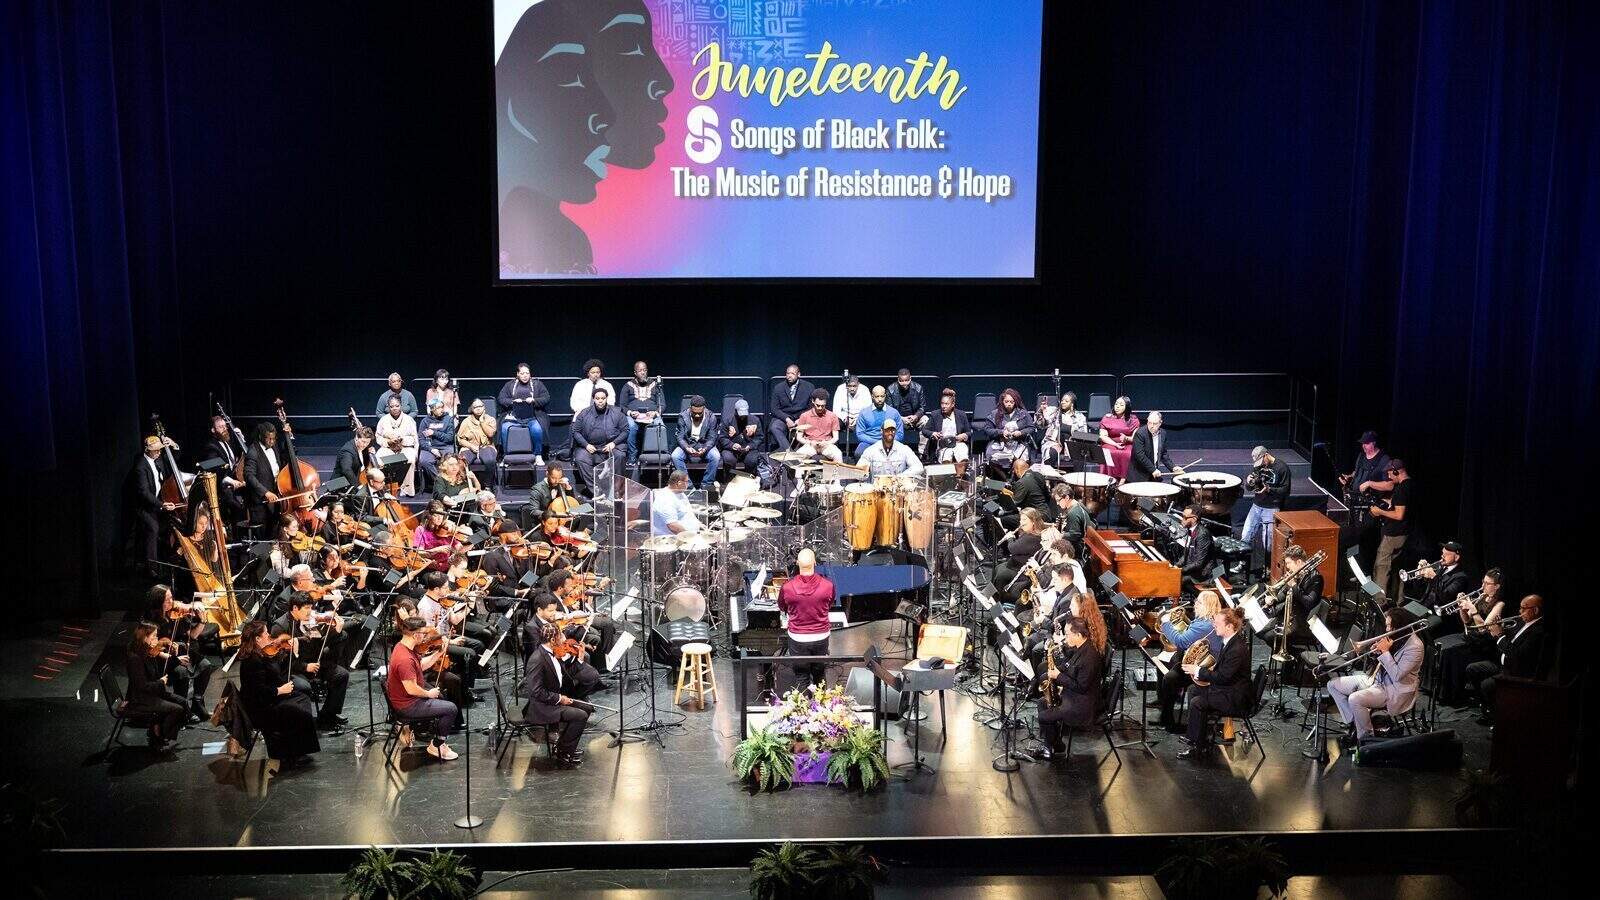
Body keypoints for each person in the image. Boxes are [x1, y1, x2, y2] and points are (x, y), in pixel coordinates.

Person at [1328, 607, 1424, 743]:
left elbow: (1397, 675)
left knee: (1355, 699)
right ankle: (1354, 722)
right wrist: (1377, 653)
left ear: (1399, 625)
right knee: (1332, 685)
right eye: (1387, 625)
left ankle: (1366, 738)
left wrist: (1385, 652)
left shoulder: (1415, 647)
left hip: (1393, 689)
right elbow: (1384, 662)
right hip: (1376, 680)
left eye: (1390, 626)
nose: (1387, 629)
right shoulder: (1395, 636)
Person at [236, 621, 321, 765]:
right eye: (266, 633)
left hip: (268, 700)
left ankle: (296, 749)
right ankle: (291, 755)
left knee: (302, 697)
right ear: (257, 638)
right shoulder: (252, 661)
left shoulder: (260, 653)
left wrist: (291, 653)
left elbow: (275, 672)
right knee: (299, 712)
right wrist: (280, 690)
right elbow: (258, 692)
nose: (269, 635)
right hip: (261, 709)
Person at [1179, 607, 1253, 759]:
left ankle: (1196, 745)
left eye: (1217, 623)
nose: (1214, 626)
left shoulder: (1236, 649)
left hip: (1235, 698)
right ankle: (1198, 737)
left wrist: (1198, 670)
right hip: (1228, 689)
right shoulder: (1230, 641)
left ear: (1229, 626)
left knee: (1197, 702)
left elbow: (1223, 677)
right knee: (1193, 689)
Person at [270, 592, 350, 731]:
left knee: (341, 674)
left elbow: (317, 645)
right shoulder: (280, 627)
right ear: (295, 608)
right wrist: (305, 667)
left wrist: (335, 631)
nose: (310, 612)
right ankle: (303, 724)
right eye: (306, 608)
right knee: (304, 686)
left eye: (311, 608)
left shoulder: (309, 621)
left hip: (312, 662)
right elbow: (280, 660)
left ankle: (327, 716)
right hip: (292, 668)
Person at [1463, 594, 1549, 723]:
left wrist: (1499, 635)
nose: (1520, 611)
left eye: (1524, 608)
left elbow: (1517, 655)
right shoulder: (1522, 621)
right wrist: (1499, 628)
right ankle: (1488, 707)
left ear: (1535, 610)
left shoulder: (1538, 631)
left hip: (1516, 671)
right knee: (1472, 669)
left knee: (1487, 685)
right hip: (1502, 664)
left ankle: (1498, 717)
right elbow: (1509, 639)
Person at [1031, 616, 1105, 761]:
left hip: (1082, 706)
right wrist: (1054, 670)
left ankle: (1050, 747)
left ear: (1078, 635)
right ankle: (1054, 745)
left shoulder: (1090, 657)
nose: (1065, 637)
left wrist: (1058, 676)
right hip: (1072, 696)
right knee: (1041, 703)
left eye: (1067, 634)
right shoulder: (1080, 648)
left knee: (1043, 716)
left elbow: (1081, 687)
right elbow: (1068, 666)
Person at [522, 617, 592, 768]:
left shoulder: (553, 652)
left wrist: (580, 659)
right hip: (542, 707)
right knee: (580, 715)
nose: (564, 639)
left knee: (586, 707)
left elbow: (566, 675)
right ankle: (564, 754)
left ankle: (563, 747)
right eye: (561, 636)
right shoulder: (537, 659)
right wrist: (559, 698)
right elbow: (536, 691)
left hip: (551, 700)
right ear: (553, 640)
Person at [385, 616, 460, 760]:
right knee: (451, 709)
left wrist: (438, 653)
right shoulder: (405, 659)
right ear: (415, 635)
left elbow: (421, 665)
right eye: (423, 634)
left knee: (442, 698)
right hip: (408, 706)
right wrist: (429, 693)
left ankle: (433, 735)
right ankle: (436, 745)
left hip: (407, 700)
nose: (425, 637)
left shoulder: (403, 647)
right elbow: (411, 689)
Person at [1438, 567, 1509, 705]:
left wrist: (1473, 609)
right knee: (1440, 645)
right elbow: (1466, 621)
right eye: (1483, 581)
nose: (1483, 585)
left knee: (1449, 652)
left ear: (1497, 586)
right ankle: (1440, 692)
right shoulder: (1482, 597)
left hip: (1485, 644)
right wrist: (1461, 607)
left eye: (1487, 583)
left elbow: (1484, 628)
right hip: (1472, 638)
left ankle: (1453, 696)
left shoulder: (1500, 604)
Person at [1152, 592, 1222, 732]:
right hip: (1195, 659)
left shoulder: (1205, 625)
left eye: (1199, 602)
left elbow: (1181, 642)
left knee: (1170, 679)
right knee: (1163, 662)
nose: (1195, 604)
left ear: (1207, 606)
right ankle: (1163, 704)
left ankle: (1168, 720)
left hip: (1203, 667)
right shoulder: (1204, 620)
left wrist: (1166, 623)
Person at [417, 570, 490, 686]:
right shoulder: (426, 607)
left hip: (448, 636)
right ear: (436, 589)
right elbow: (431, 636)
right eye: (445, 587)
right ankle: (467, 687)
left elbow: (455, 620)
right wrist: (452, 642)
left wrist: (469, 606)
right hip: (438, 644)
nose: (448, 590)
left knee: (478, 645)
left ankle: (475, 674)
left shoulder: (443, 600)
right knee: (470, 653)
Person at [124, 623, 187, 751]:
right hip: (140, 699)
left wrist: (174, 657)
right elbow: (142, 687)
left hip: (153, 692)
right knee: (177, 709)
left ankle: (157, 729)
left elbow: (161, 671)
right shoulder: (135, 659)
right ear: (144, 637)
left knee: (183, 702)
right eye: (154, 636)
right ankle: (158, 737)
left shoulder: (149, 652)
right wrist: (161, 682)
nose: (157, 640)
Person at [778, 548, 835, 688]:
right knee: (819, 676)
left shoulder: (787, 587)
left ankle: (802, 701)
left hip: (798, 638)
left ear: (797, 563)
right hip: (821, 636)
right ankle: (821, 701)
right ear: (815, 562)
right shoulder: (828, 586)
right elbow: (829, 605)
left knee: (801, 677)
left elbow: (782, 607)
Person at [128, 435, 181, 578]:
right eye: (156, 450)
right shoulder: (140, 467)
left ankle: (173, 560)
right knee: (153, 528)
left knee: (174, 524)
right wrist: (162, 505)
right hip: (145, 507)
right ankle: (152, 568)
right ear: (147, 450)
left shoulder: (159, 459)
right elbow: (144, 493)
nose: (159, 452)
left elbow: (174, 458)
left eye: (160, 450)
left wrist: (173, 444)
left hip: (159, 504)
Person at [1240, 446, 1292, 578]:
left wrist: (1269, 490)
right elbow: (1250, 487)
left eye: (1261, 461)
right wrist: (1249, 483)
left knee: (1268, 542)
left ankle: (1268, 568)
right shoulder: (1258, 467)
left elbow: (1285, 491)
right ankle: (1242, 563)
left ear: (1266, 455)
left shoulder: (1282, 468)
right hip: (1256, 506)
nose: (1260, 465)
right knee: (1246, 535)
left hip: (1271, 508)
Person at [570, 386, 628, 495]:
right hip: (590, 448)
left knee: (620, 456)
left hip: (610, 447)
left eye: (603, 398)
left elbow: (625, 430)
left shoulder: (617, 412)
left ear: (606, 398)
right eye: (597, 398)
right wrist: (586, 445)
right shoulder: (584, 413)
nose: (600, 401)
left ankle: (617, 492)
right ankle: (597, 492)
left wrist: (614, 443)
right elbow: (576, 431)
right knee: (580, 458)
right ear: (593, 399)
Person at [1369, 458, 1413, 602]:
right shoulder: (1411, 485)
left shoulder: (1401, 490)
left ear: (1396, 472)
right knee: (1398, 569)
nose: (1388, 477)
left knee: (1381, 567)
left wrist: (1379, 511)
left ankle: (1379, 603)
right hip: (1405, 534)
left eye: (1390, 473)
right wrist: (1390, 503)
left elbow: (1399, 515)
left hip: (1394, 535)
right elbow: (1404, 506)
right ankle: (1399, 601)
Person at [497, 363, 550, 464]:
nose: (525, 376)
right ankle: (505, 456)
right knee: (504, 428)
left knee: (537, 429)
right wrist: (512, 401)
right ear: (517, 374)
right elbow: (501, 398)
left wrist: (534, 400)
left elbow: (546, 398)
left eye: (527, 373)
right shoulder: (509, 385)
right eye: (522, 373)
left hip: (532, 417)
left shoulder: (537, 384)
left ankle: (538, 455)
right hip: (514, 417)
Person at [199, 415, 248, 521]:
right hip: (221, 489)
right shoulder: (210, 446)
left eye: (225, 426)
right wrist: (230, 481)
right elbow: (213, 468)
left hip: (235, 485)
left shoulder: (226, 441)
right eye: (221, 427)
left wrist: (241, 438)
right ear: (213, 430)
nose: (225, 429)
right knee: (237, 508)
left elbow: (239, 457)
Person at [992, 508, 1046, 603]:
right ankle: (993, 598)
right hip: (1015, 564)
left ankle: (998, 601)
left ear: (1033, 521)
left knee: (1001, 575)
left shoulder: (1032, 538)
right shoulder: (1029, 533)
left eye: (1024, 520)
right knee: (998, 568)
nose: (1021, 522)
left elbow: (1012, 548)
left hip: (1021, 569)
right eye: (1021, 519)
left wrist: (1010, 538)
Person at [621, 360, 664, 473]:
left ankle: (655, 457)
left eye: (645, 370)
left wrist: (655, 413)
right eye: (640, 370)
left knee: (659, 425)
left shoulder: (656, 385)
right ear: (635, 372)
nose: (643, 372)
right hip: (634, 416)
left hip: (652, 415)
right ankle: (632, 457)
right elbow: (622, 406)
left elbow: (662, 405)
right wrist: (630, 413)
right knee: (630, 426)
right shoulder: (628, 385)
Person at [921, 388, 972, 478]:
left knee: (962, 453)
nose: (943, 406)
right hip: (943, 444)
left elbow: (969, 432)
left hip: (958, 442)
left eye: (946, 404)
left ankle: (959, 478)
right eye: (942, 403)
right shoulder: (935, 415)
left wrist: (964, 435)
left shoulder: (961, 414)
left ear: (952, 405)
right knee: (947, 455)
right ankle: (949, 478)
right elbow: (925, 430)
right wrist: (933, 433)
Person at [672, 395, 721, 488]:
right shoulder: (683, 416)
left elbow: (712, 437)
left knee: (716, 456)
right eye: (694, 413)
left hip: (704, 444)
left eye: (700, 413)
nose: (697, 415)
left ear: (704, 408)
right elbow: (680, 437)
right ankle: (688, 485)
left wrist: (705, 448)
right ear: (690, 408)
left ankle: (706, 484)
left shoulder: (711, 417)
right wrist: (686, 447)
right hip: (688, 444)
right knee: (675, 456)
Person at [375, 397, 419, 496]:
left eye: (397, 406)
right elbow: (378, 437)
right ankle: (384, 488)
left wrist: (402, 439)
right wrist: (388, 442)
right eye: (392, 406)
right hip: (388, 448)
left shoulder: (409, 419)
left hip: (405, 447)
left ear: (401, 406)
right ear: (388, 408)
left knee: (410, 459)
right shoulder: (383, 419)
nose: (394, 408)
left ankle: (406, 489)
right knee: (378, 460)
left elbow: (414, 439)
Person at [243, 422, 285, 525]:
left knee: (275, 528)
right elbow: (249, 476)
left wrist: (289, 435)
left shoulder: (274, 446)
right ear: (261, 437)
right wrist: (265, 492)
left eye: (273, 438)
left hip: (276, 497)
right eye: (268, 439)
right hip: (260, 503)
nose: (272, 442)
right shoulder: (253, 451)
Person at [985, 388, 1035, 474]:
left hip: (1019, 443)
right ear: (1002, 401)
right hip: (999, 443)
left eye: (1011, 402)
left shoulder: (1023, 414)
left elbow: (1031, 428)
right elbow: (987, 430)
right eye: (1006, 401)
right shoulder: (994, 414)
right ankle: (1003, 478)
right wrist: (1001, 432)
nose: (1009, 404)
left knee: (1021, 461)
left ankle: (1015, 476)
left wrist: (1021, 432)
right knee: (992, 455)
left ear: (1015, 402)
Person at [455, 398, 499, 490]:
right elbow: (460, 439)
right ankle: (464, 485)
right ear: (472, 409)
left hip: (486, 446)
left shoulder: (490, 419)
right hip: (469, 446)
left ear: (484, 408)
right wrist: (470, 446)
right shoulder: (466, 421)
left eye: (480, 406)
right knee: (462, 462)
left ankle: (488, 485)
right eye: (475, 407)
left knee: (490, 460)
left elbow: (490, 434)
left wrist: (482, 421)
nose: (478, 409)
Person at [768, 365, 815, 451]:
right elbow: (774, 408)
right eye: (788, 373)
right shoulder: (779, 388)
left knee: (812, 425)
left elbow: (811, 407)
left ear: (798, 374)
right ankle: (788, 451)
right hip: (784, 417)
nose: (789, 376)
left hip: (801, 417)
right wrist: (787, 419)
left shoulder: (809, 387)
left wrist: (801, 419)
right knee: (775, 427)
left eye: (792, 373)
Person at [1129, 411, 1184, 483]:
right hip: (1139, 475)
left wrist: (1173, 467)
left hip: (1153, 474)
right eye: (1149, 423)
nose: (1151, 426)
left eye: (1154, 423)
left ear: (1160, 423)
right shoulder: (1140, 434)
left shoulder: (1163, 434)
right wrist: (1153, 470)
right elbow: (1140, 455)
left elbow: (1163, 454)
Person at [858, 419, 923, 478]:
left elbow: (918, 467)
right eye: (887, 430)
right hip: (876, 486)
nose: (890, 433)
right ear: (881, 431)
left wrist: (901, 476)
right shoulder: (870, 451)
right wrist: (863, 474)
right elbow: (859, 472)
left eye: (892, 430)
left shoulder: (904, 449)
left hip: (898, 485)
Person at [416, 397, 458, 491]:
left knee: (450, 461)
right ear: (432, 409)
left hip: (446, 446)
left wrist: (434, 433)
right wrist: (431, 449)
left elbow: (450, 438)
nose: (441, 410)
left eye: (442, 407)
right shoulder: (425, 421)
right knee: (424, 461)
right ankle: (442, 482)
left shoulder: (448, 419)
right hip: (430, 447)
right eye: (438, 408)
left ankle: (451, 483)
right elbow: (421, 440)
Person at [719, 398, 766, 479]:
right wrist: (731, 445)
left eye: (744, 415)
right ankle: (730, 480)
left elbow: (759, 437)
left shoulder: (755, 420)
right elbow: (722, 438)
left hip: (749, 449)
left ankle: (750, 480)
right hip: (731, 449)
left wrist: (750, 446)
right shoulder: (728, 421)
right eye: (740, 415)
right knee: (728, 459)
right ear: (736, 411)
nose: (742, 417)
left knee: (751, 460)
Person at [794, 388, 844, 462]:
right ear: (813, 401)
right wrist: (810, 442)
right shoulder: (804, 416)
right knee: (798, 456)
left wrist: (827, 443)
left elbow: (836, 437)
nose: (820, 408)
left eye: (823, 406)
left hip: (826, 444)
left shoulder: (832, 416)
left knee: (838, 454)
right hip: (810, 444)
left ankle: (836, 470)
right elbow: (799, 437)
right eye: (818, 405)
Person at [1097, 396, 1140, 481]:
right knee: (1108, 452)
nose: (1117, 406)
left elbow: (1135, 438)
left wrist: (1126, 438)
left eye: (1121, 405)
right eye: (1116, 404)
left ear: (1127, 407)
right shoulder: (1107, 418)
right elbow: (1103, 436)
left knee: (1127, 454)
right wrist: (1115, 444)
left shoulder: (1133, 419)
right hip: (1109, 442)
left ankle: (1123, 479)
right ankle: (1109, 479)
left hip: (1127, 444)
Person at [1039, 392, 1087, 466]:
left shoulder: (1080, 416)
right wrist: (1042, 412)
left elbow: (1083, 435)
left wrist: (1069, 429)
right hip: (1053, 442)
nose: (1063, 402)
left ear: (1072, 404)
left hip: (1072, 443)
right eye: (1062, 400)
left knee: (1079, 456)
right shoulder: (1054, 412)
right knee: (1051, 453)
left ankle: (1078, 473)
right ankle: (1048, 473)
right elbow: (1040, 425)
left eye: (1066, 401)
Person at [1003, 456, 1053, 527]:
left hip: (1035, 516)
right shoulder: (1039, 475)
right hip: (1047, 514)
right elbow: (1047, 495)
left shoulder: (1021, 482)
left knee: (1003, 519)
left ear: (1016, 470)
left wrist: (996, 507)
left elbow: (1013, 505)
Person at [1176, 504, 1216, 594]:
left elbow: (1199, 563)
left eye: (1185, 517)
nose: (1182, 520)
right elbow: (1186, 554)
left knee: (1174, 582)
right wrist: (1176, 566)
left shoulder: (1202, 534)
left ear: (1194, 519)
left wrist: (1180, 570)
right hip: (1193, 570)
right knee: (1169, 577)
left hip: (1203, 575)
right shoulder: (1191, 530)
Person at [650, 471, 701, 536]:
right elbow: (673, 526)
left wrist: (699, 524)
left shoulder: (680, 493)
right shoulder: (665, 499)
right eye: (686, 482)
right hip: (674, 537)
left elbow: (688, 512)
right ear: (679, 483)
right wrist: (690, 537)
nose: (688, 485)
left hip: (692, 532)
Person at [833, 375, 873, 457]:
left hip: (859, 417)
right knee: (834, 421)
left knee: (867, 421)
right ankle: (836, 449)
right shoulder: (840, 389)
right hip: (844, 417)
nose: (852, 388)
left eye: (854, 386)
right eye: (849, 386)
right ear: (846, 385)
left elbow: (868, 410)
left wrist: (857, 419)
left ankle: (861, 451)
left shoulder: (864, 390)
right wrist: (845, 418)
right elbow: (836, 409)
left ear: (858, 384)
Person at [1052, 484, 1093, 560]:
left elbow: (1075, 535)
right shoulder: (1077, 504)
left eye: (1058, 500)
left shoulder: (1073, 513)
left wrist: (1060, 535)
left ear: (1067, 497)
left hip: (1080, 551)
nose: (1057, 503)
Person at [887, 369, 927, 439]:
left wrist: (916, 416)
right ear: (898, 379)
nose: (904, 383)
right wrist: (901, 418)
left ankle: (923, 446)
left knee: (925, 420)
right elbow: (889, 410)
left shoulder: (918, 388)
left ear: (910, 379)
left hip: (914, 419)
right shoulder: (891, 389)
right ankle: (893, 445)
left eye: (906, 380)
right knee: (889, 422)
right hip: (898, 419)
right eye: (901, 381)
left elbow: (923, 407)